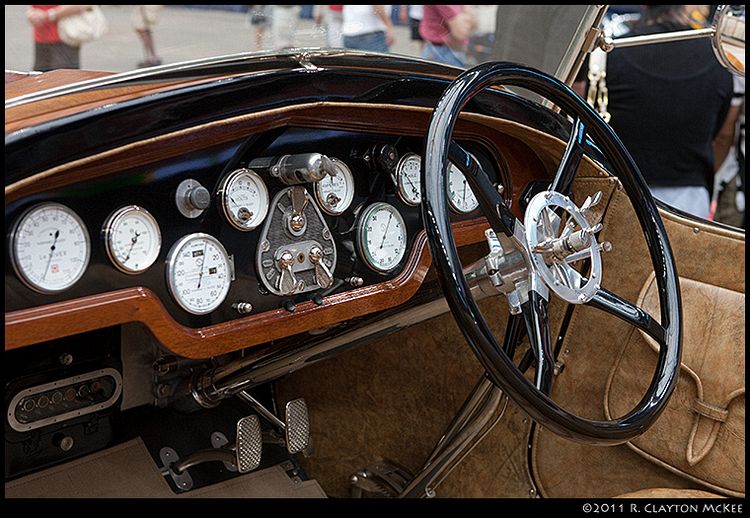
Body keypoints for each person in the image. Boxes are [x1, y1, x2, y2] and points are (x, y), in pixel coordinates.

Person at [587, 5, 735, 219]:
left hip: (620, 192)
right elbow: (722, 136)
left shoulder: (612, 54)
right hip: (690, 201)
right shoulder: (718, 62)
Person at [26, 4, 90, 72]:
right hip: (41, 37)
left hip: (64, 39)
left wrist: (47, 15)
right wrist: (31, 13)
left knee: (65, 78)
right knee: (40, 78)